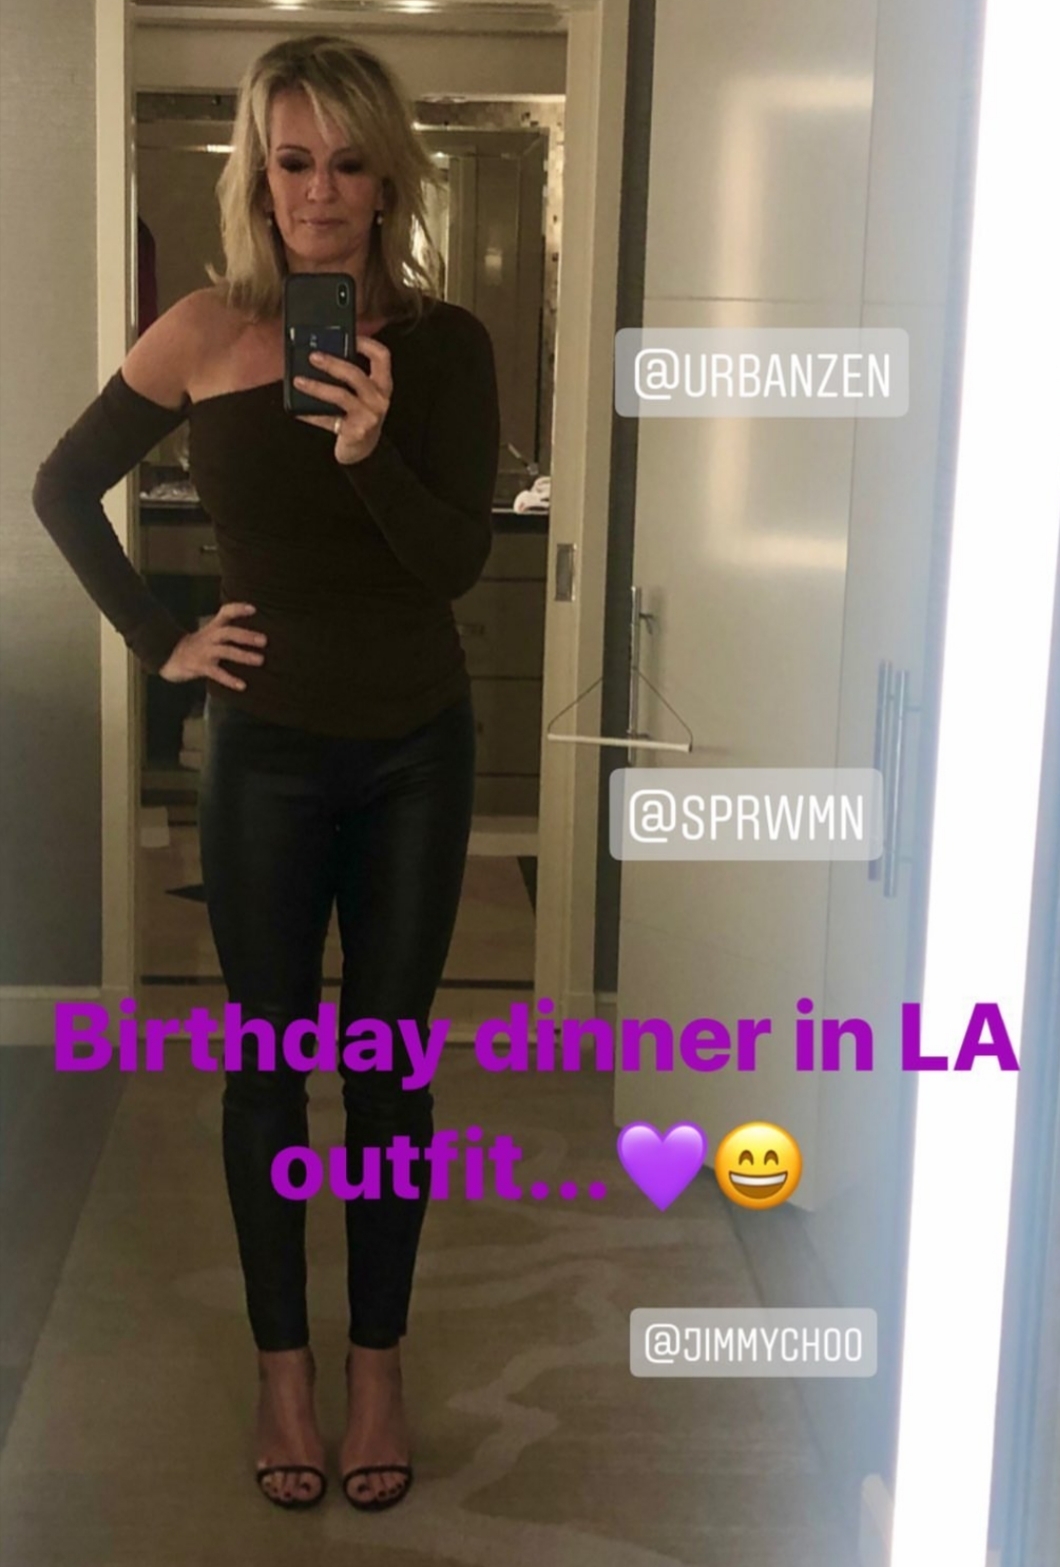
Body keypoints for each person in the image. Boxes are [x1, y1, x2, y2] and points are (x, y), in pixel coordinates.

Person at [31, 34, 501, 1515]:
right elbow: (60, 486)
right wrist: (161, 640)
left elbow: (455, 565)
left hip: (417, 744)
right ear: (257, 171)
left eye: (347, 162)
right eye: (292, 160)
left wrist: (371, 449)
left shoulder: (446, 345)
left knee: (390, 1066)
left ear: (387, 178)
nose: (319, 192)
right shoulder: (199, 332)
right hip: (264, 755)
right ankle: (283, 1371)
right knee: (267, 1065)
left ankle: (377, 1367)